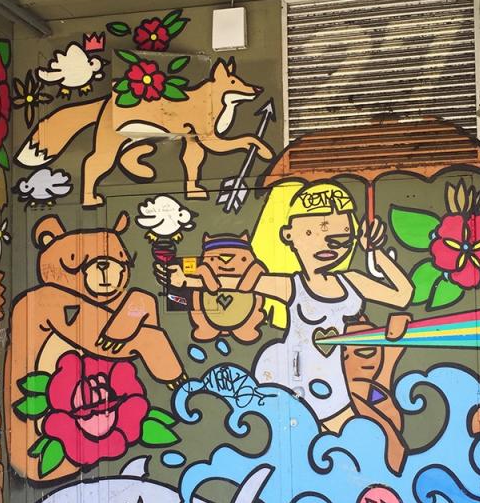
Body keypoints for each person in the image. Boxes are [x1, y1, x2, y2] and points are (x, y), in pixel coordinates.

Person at [158, 181, 412, 432]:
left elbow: (402, 295)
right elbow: (239, 284)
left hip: (335, 386)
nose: (327, 245)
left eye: (341, 236)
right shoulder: (293, 285)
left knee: (346, 438)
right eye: (311, 233)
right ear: (289, 235)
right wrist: (187, 281)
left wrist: (375, 252)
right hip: (292, 384)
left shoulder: (351, 281)